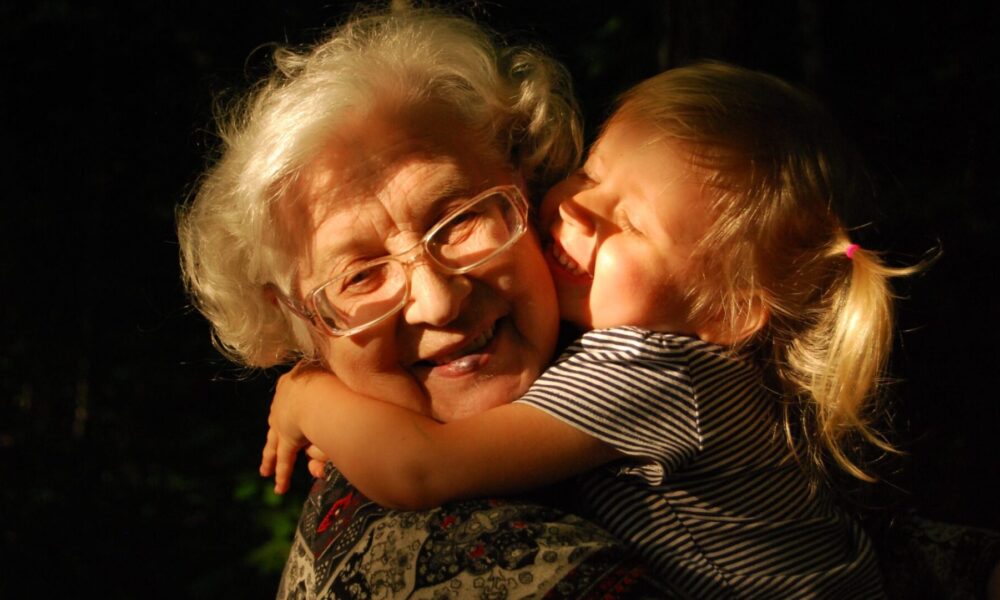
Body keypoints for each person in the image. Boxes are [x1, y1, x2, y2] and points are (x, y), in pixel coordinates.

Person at [261, 62, 923, 598]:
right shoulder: (654, 358)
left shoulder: (656, 370)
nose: (578, 206)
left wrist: (309, 396)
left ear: (725, 312)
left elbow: (420, 467)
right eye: (591, 173)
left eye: (631, 225)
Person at [178, 5, 667, 599]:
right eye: (360, 276)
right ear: (302, 328)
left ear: (528, 190)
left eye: (459, 220)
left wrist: (309, 394)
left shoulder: (657, 349)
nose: (438, 303)